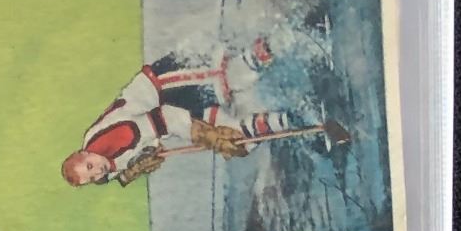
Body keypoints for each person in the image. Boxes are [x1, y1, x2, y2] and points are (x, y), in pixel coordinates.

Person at [61, 43, 311, 187]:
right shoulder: (102, 170)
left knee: (228, 78)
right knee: (239, 142)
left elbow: (165, 118)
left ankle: (284, 40)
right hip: (175, 110)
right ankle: (293, 119)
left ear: (85, 152)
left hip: (163, 87)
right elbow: (115, 173)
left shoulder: (114, 136)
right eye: (91, 177)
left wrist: (207, 136)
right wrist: (130, 172)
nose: (98, 172)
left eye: (91, 166)